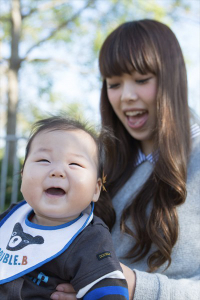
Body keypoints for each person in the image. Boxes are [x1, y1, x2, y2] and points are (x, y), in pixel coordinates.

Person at [51, 19, 200, 300]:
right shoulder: (97, 158)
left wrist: (132, 285)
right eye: (114, 84)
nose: (127, 97)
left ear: (173, 79)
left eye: (142, 80)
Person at [0, 116, 129, 299]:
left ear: (96, 189)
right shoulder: (11, 218)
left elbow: (109, 291)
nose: (57, 171)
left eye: (74, 164)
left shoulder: (90, 239)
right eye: (44, 160)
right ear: (22, 176)